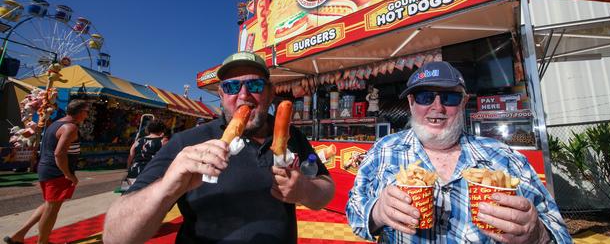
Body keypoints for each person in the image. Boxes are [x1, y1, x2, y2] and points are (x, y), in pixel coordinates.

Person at [103, 51, 335, 243]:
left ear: (270, 92)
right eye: (232, 87)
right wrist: (167, 187)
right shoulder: (187, 143)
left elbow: (326, 189)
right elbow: (115, 236)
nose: (244, 96)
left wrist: (304, 189)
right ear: (222, 95)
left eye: (254, 84)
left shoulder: (291, 136)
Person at [346, 61, 572, 243]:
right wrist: (378, 212)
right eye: (425, 97)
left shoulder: (505, 158)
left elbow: (559, 233)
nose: (437, 107)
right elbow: (354, 213)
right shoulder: (383, 150)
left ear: (463, 103)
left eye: (449, 97)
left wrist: (538, 235)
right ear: (411, 103)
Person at [4, 99, 90, 244]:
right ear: (80, 112)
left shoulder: (56, 123)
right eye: (87, 112)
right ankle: (42, 242)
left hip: (47, 169)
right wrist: (68, 174)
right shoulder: (70, 127)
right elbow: (59, 153)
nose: (87, 115)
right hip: (57, 173)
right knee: (52, 210)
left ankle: (19, 235)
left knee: (49, 204)